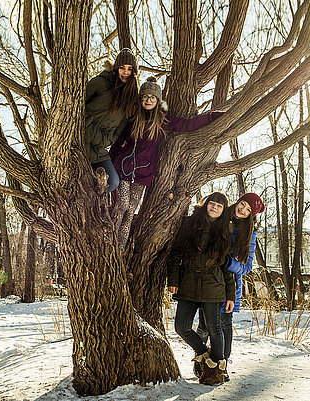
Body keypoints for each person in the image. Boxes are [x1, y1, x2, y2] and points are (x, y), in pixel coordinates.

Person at [109, 77, 224, 248]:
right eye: (145, 97)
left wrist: (212, 117)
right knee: (122, 205)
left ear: (157, 100)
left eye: (152, 98)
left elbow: (188, 124)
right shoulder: (132, 118)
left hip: (143, 173)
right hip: (124, 168)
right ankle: (108, 241)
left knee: (131, 211)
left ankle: (118, 249)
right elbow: (118, 142)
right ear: (140, 99)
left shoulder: (162, 120)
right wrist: (108, 164)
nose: (148, 100)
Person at [194, 192, 265, 381]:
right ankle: (200, 360)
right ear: (238, 201)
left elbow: (247, 267)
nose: (242, 210)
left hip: (229, 285)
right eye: (242, 204)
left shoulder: (249, 234)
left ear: (252, 215)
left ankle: (221, 365)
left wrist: (226, 262)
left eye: (248, 210)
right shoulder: (221, 216)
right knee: (204, 324)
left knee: (224, 324)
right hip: (208, 281)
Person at [167, 192, 236, 385]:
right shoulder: (189, 223)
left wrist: (230, 294)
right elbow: (175, 253)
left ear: (223, 211)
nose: (214, 207)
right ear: (205, 204)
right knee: (181, 327)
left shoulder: (225, 232)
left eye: (219, 206)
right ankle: (206, 356)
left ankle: (216, 372)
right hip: (188, 281)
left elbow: (227, 266)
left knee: (215, 328)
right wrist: (173, 279)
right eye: (212, 203)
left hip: (213, 285)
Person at [85, 48, 139, 192]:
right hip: (79, 137)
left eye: (129, 69)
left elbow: (117, 132)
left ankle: (92, 207)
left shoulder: (130, 100)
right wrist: (86, 127)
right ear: (116, 68)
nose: (125, 72)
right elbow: (77, 105)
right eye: (122, 68)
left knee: (113, 182)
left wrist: (104, 141)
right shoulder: (100, 83)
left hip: (98, 148)